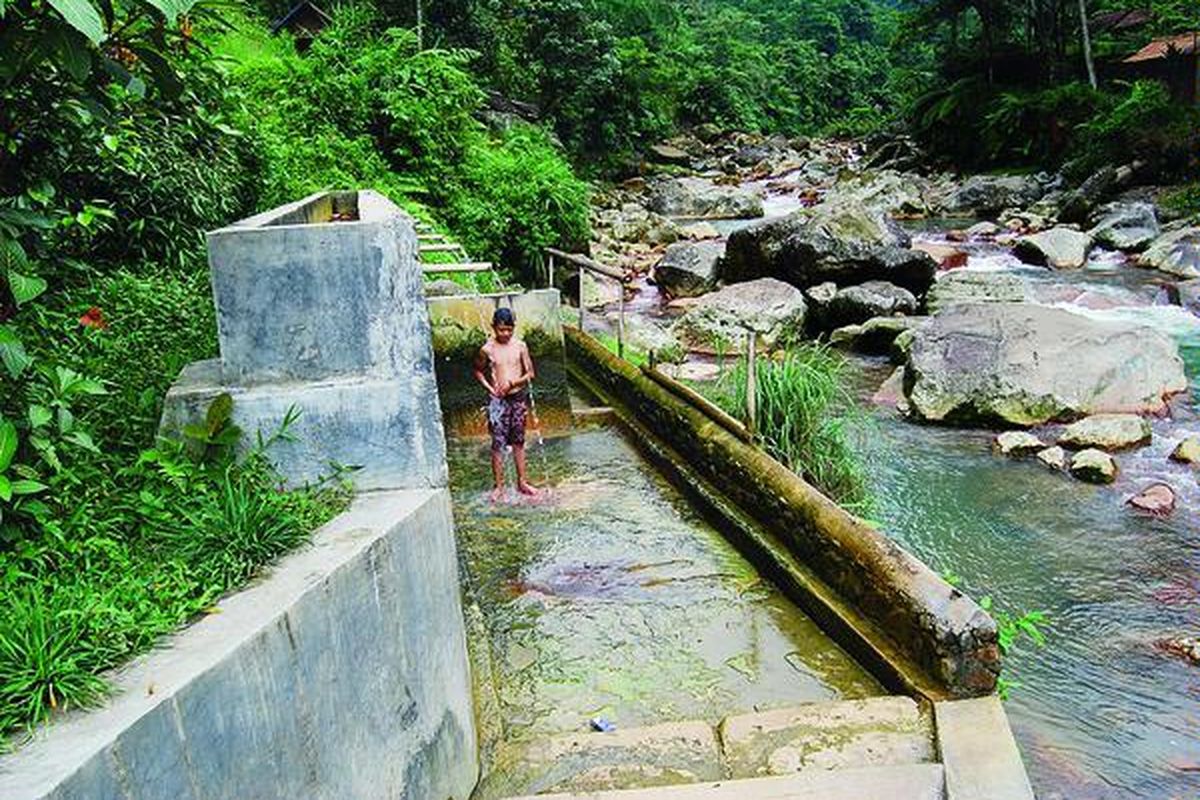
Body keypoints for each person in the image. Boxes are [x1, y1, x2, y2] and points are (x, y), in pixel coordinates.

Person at [474, 307, 538, 501]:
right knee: (498, 444)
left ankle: (522, 482)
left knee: (518, 442)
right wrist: (489, 388)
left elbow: (530, 374)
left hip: (517, 398)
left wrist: (514, 383)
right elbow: (477, 370)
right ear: (494, 327)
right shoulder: (487, 349)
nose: (505, 334)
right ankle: (499, 487)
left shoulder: (520, 346)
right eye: (501, 330)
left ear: (513, 328)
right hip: (497, 402)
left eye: (509, 330)